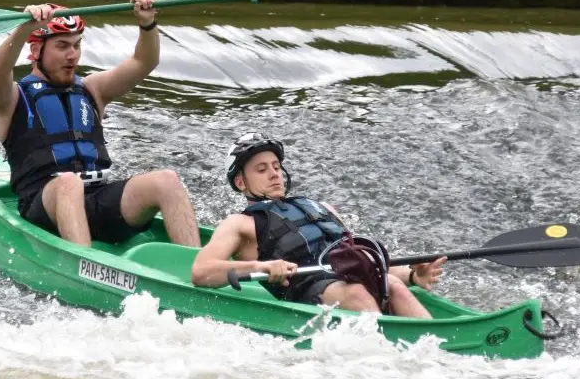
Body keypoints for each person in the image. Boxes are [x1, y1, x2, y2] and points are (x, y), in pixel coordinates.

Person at [0, 0, 201, 249]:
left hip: (96, 200)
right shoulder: (10, 99)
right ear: (35, 51)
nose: (73, 55)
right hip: (44, 207)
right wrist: (24, 31)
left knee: (167, 180)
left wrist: (147, 23)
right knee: (68, 183)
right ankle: (84, 267)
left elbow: (145, 62)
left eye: (76, 45)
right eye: (62, 46)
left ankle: (199, 269)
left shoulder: (92, 89)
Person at [190, 133, 445, 317]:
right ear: (241, 183)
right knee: (357, 292)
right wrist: (262, 266)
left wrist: (413, 275)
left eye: (277, 167)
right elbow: (201, 271)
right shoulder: (240, 224)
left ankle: (438, 346)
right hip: (309, 293)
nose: (274, 173)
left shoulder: (321, 208)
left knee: (394, 286)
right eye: (261, 169)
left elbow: (357, 263)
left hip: (349, 287)